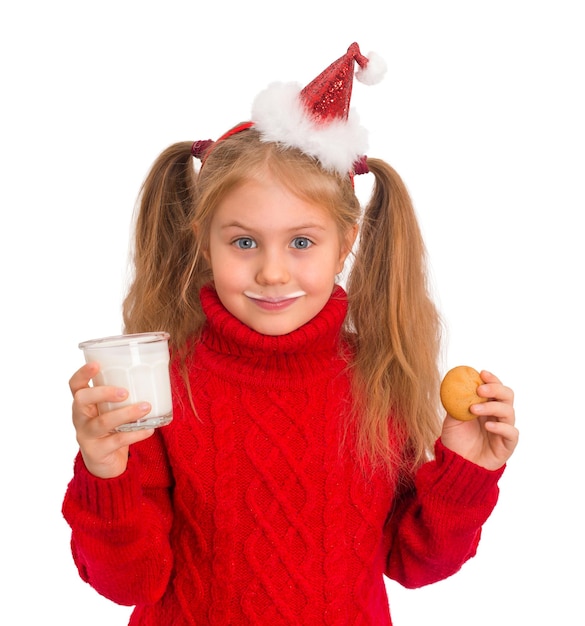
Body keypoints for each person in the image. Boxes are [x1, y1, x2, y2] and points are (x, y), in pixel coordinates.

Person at [62, 43, 519, 625]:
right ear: (205, 239)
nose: (272, 271)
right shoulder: (162, 386)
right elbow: (131, 581)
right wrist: (107, 472)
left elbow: (415, 563)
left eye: (301, 242)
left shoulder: (379, 379)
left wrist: (466, 470)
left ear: (345, 243)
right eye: (244, 241)